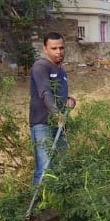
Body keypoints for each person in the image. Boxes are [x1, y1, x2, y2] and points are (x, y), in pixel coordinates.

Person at [29, 32, 77, 185]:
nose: (59, 52)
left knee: (59, 166)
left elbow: (60, 95)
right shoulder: (41, 67)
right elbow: (45, 93)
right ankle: (36, 206)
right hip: (43, 124)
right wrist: (57, 113)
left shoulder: (61, 71)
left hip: (59, 125)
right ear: (45, 49)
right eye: (54, 48)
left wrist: (70, 100)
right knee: (45, 168)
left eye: (61, 48)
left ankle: (53, 205)